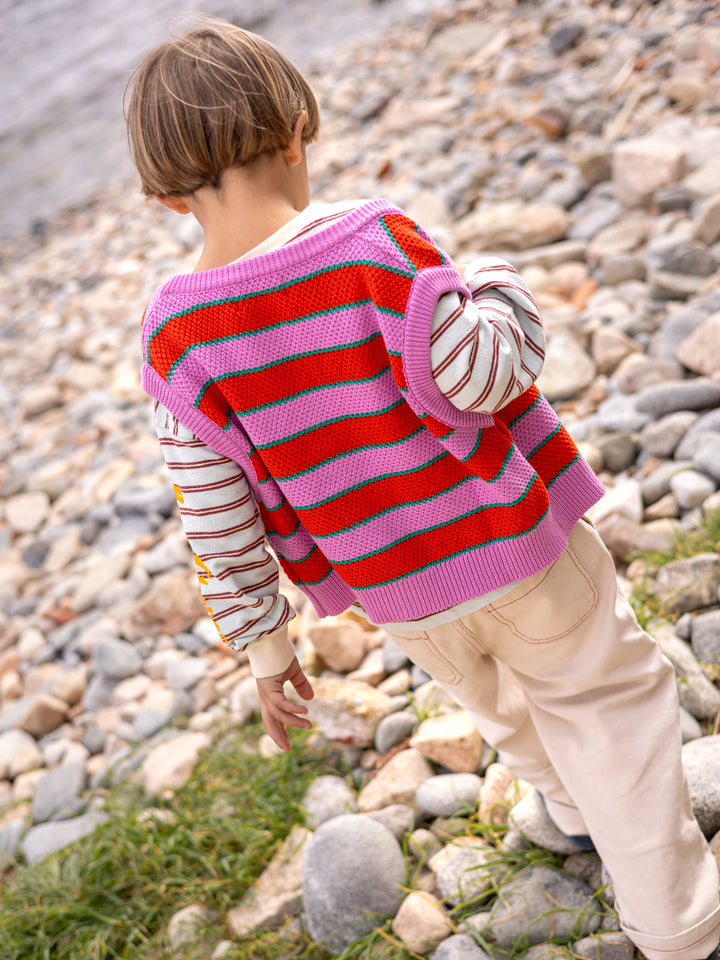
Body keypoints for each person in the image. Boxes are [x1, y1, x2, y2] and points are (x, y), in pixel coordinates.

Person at [125, 16, 720, 960]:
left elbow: (218, 518)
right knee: (609, 702)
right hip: (517, 546)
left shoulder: (173, 338)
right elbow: (484, 375)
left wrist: (266, 652)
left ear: (163, 197)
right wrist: (496, 282)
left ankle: (568, 812)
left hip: (400, 591)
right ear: (296, 133)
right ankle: (679, 926)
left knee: (503, 705)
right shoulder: (374, 242)